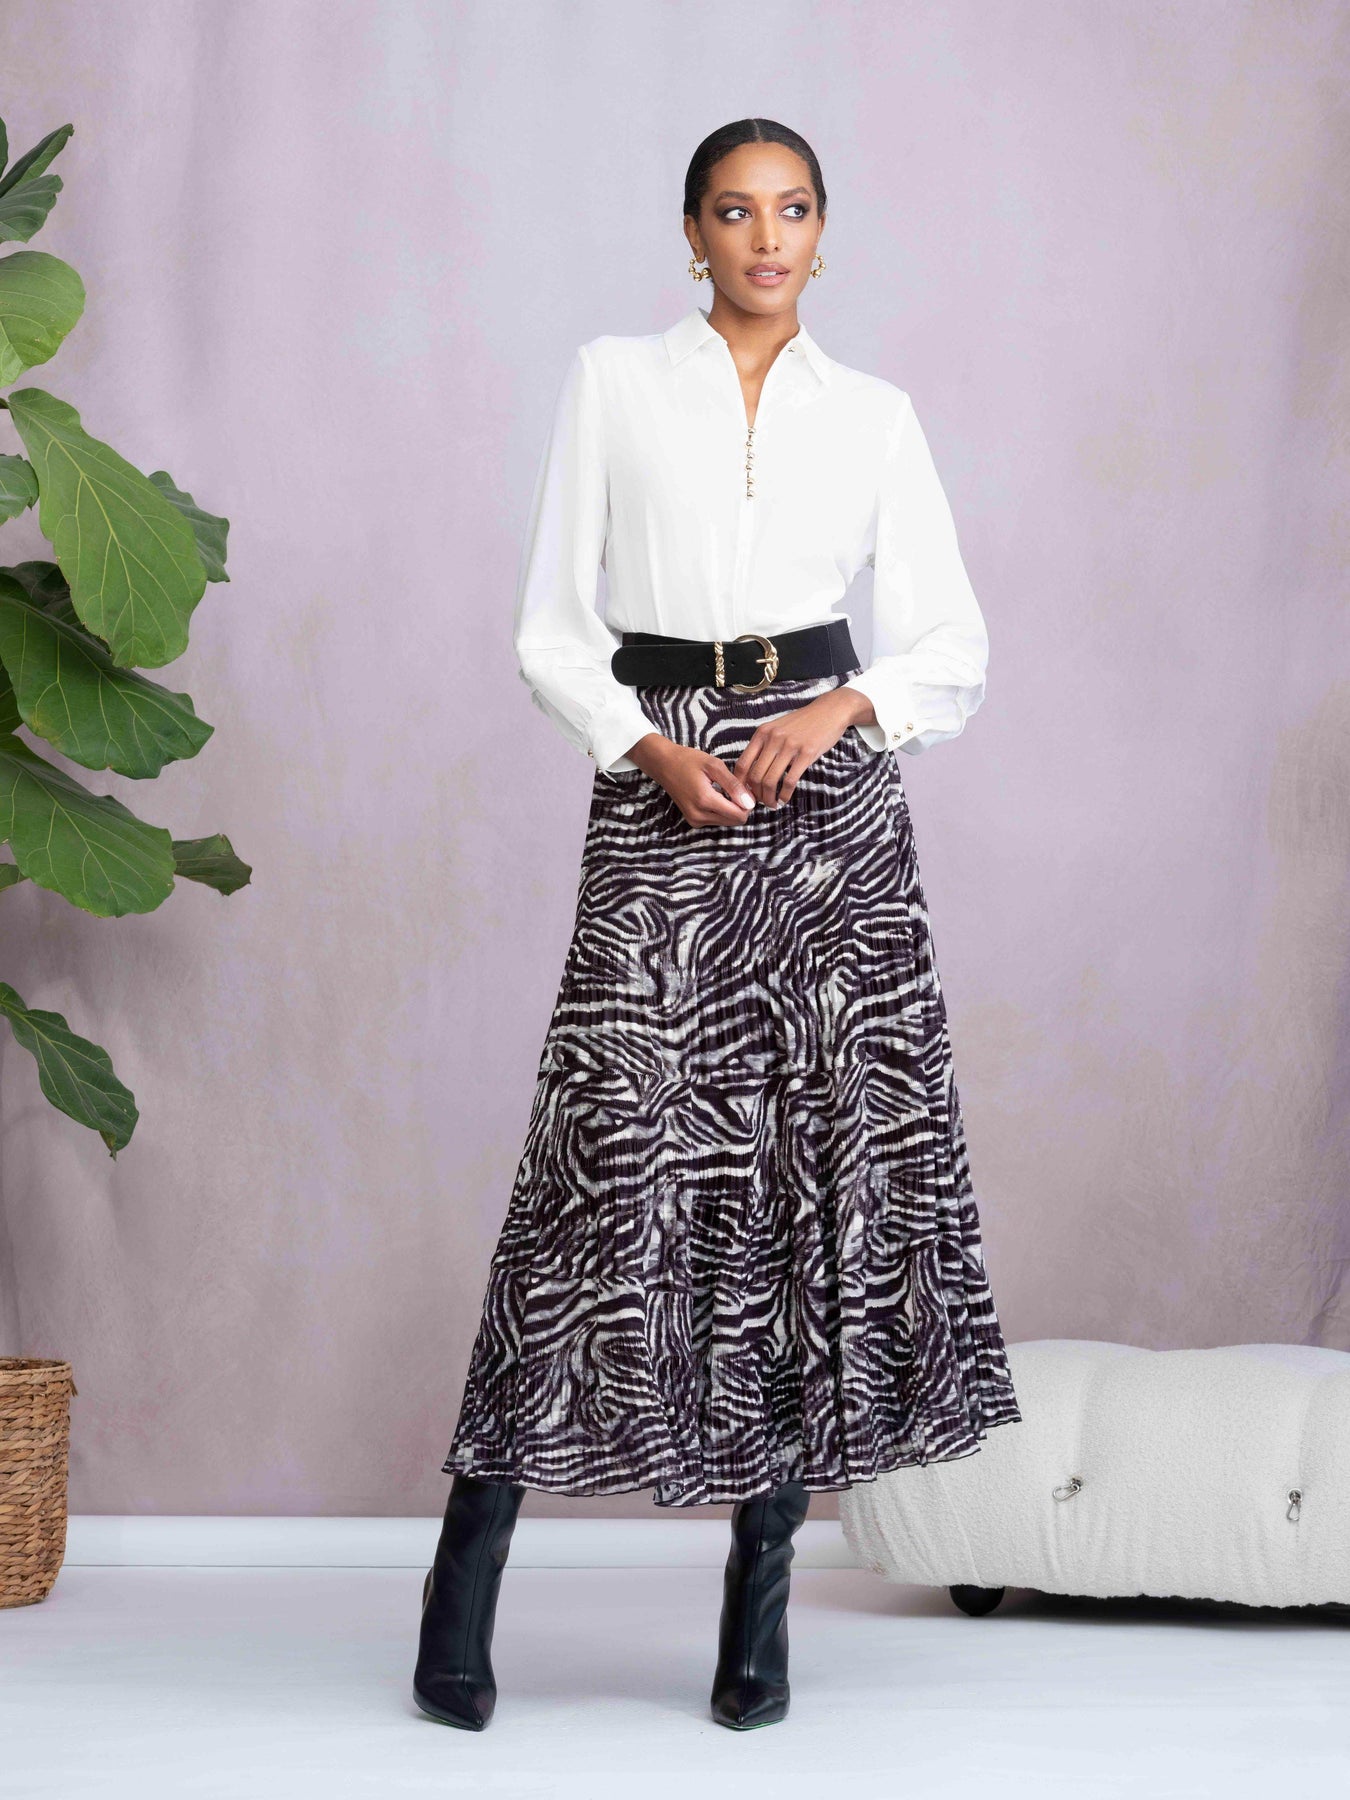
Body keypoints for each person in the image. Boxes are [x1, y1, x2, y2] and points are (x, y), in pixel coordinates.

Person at [414, 116, 1022, 1734]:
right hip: (663, 771)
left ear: (823, 232)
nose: (765, 237)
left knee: (805, 1170)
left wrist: (844, 709)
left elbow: (950, 641)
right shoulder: (614, 383)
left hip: (826, 802)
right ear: (690, 232)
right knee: (602, 1153)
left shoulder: (873, 414)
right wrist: (644, 749)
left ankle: (759, 1619)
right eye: (734, 211)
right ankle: (460, 1589)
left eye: (792, 209)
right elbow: (552, 626)